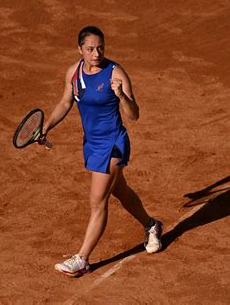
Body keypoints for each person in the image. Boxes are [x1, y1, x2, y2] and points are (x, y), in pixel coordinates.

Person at [41, 26, 163, 277]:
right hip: (92, 144)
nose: (96, 53)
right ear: (80, 50)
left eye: (100, 48)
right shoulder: (74, 73)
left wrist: (121, 96)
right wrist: (46, 127)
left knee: (97, 201)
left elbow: (134, 115)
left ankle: (82, 259)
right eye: (90, 49)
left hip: (114, 144)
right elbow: (66, 102)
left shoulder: (115, 73)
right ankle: (151, 225)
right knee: (120, 191)